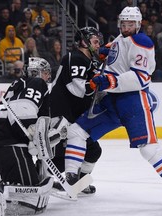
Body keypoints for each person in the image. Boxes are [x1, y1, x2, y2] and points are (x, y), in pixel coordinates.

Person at [63, 7, 162, 208]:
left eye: (130, 24)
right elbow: (111, 53)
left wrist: (109, 81)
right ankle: (74, 180)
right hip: (111, 101)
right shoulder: (119, 40)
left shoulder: (141, 42)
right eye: (123, 23)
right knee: (77, 131)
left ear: (138, 24)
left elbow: (140, 77)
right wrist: (100, 52)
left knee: (148, 149)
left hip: (133, 101)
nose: (126, 27)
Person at [0, 57, 64, 215]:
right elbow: (22, 110)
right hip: (9, 145)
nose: (48, 76)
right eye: (45, 73)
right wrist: (33, 133)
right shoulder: (37, 83)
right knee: (29, 190)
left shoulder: (21, 85)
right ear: (36, 73)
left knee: (26, 185)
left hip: (2, 143)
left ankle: (5, 186)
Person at [50, 27, 103, 195]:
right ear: (83, 42)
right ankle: (35, 180)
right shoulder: (76, 57)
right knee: (57, 154)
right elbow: (77, 89)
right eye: (95, 41)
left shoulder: (91, 63)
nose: (98, 44)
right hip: (61, 114)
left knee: (94, 150)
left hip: (76, 116)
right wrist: (95, 83)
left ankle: (79, 183)